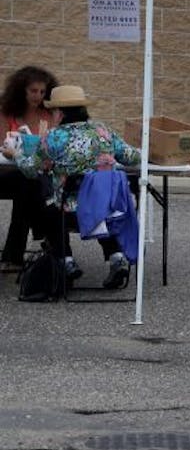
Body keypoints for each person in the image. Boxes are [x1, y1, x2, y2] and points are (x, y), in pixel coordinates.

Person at [13, 85, 139, 289]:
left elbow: (30, 169)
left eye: (53, 111)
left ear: (60, 113)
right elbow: (131, 157)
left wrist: (16, 154)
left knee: (46, 203)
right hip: (107, 208)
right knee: (100, 205)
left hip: (68, 211)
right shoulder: (103, 131)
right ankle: (117, 258)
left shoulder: (53, 138)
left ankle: (67, 262)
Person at [0, 66, 59, 271]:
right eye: (33, 91)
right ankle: (42, 233)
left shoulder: (48, 114)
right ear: (21, 90)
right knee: (29, 183)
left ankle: (13, 256)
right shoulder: (8, 112)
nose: (38, 96)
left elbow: (53, 145)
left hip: (32, 174)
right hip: (6, 171)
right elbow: (2, 145)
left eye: (42, 92)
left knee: (29, 184)